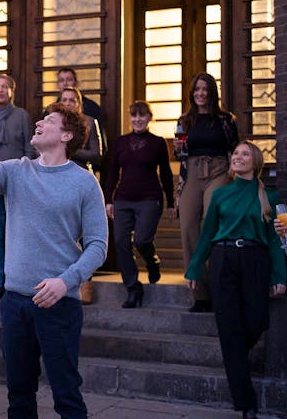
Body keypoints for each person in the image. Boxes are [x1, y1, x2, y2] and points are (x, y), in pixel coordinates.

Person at [0, 103, 108, 419]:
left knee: (67, 395)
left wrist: (66, 280)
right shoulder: (15, 170)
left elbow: (98, 246)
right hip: (15, 303)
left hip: (59, 305)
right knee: (19, 396)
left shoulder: (84, 183)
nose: (38, 122)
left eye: (48, 120)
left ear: (67, 135)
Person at [184, 142, 286, 419]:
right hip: (222, 260)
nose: (238, 157)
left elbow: (279, 241)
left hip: (256, 261)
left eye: (244, 153)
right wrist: (194, 269)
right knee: (230, 330)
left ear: (256, 160)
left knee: (256, 322)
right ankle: (247, 404)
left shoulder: (273, 197)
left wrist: (280, 275)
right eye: (235, 154)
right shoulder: (220, 195)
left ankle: (234, 355)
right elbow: (206, 235)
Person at [173, 72, 238, 313]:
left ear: (212, 93)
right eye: (197, 89)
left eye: (205, 89)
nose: (200, 93)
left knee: (211, 222)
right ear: (192, 93)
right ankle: (200, 294)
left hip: (219, 170)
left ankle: (219, 288)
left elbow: (235, 148)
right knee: (188, 226)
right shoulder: (184, 120)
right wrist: (178, 148)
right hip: (191, 172)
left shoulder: (225, 119)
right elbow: (178, 156)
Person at [102, 101, 175, 308]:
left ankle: (152, 262)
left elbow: (167, 174)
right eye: (134, 116)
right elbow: (112, 173)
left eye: (142, 115)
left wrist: (170, 201)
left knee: (142, 240)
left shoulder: (158, 143)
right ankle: (133, 287)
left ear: (150, 118)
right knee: (120, 242)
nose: (138, 119)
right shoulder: (121, 142)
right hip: (123, 199)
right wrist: (109, 199)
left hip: (150, 199)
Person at [0, 74, 35, 300]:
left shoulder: (21, 116)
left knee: (20, 233)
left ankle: (20, 280)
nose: (1, 90)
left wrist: (28, 174)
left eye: (5, 87)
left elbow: (31, 147)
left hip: (18, 183)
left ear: (12, 91)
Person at [58, 87, 102, 171]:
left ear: (79, 103)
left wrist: (69, 149)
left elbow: (96, 155)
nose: (67, 103)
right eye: (64, 100)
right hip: (56, 171)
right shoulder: (52, 121)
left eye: (72, 100)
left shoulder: (90, 122)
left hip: (81, 171)